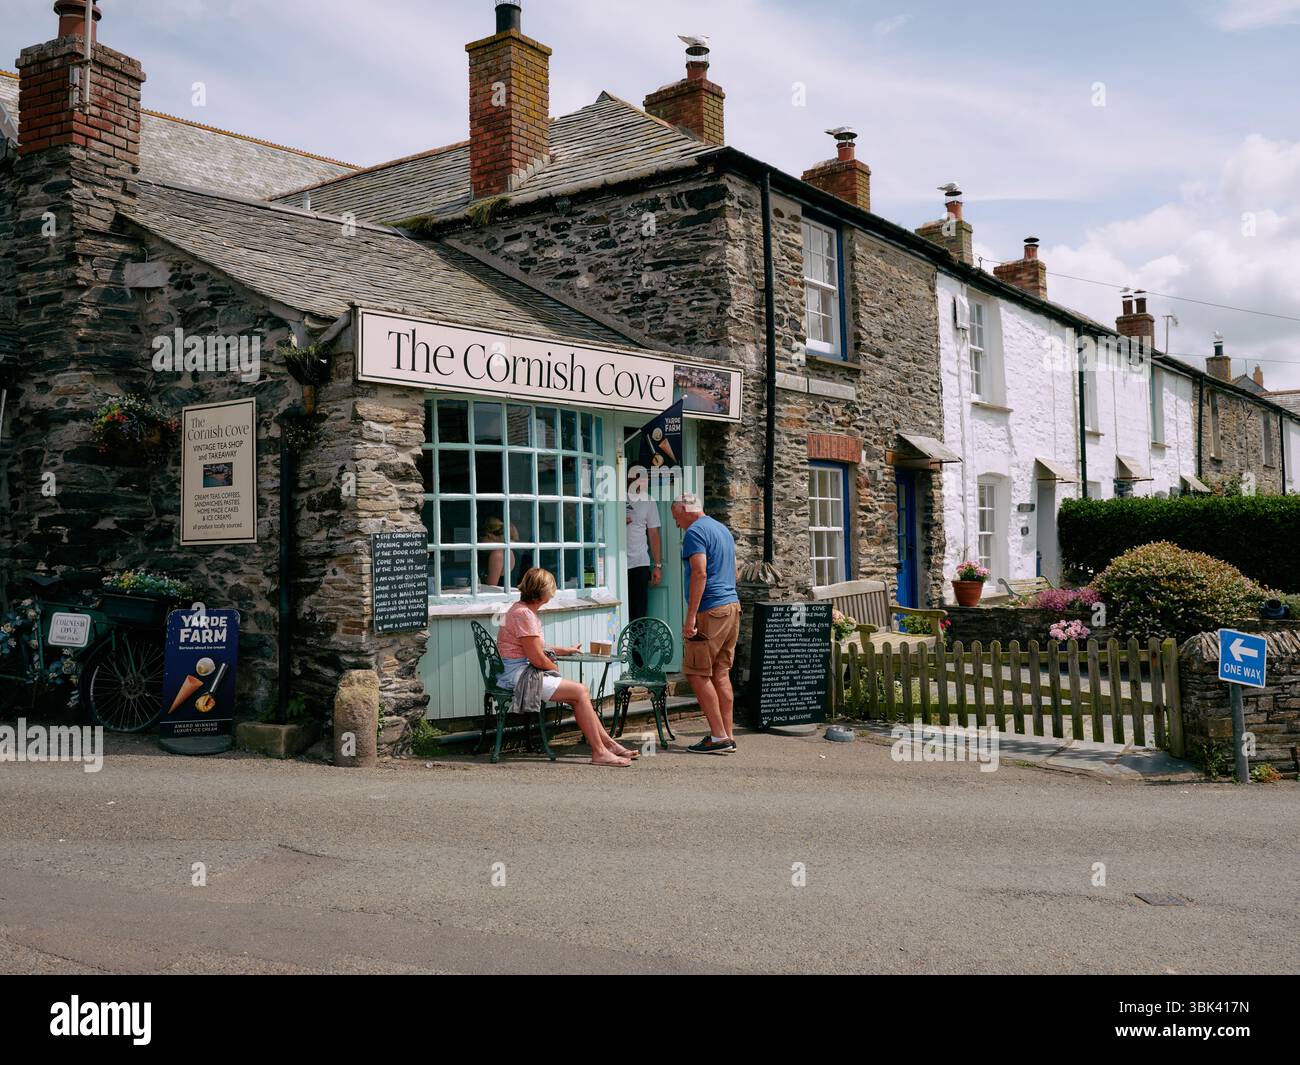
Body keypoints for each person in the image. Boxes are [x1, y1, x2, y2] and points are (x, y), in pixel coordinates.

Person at [496, 567, 639, 767]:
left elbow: (534, 646)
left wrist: (565, 650)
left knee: (579, 693)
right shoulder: (524, 615)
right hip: (517, 675)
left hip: (515, 670)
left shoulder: (519, 610)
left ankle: (608, 744)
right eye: (551, 589)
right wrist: (552, 667)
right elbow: (537, 658)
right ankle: (599, 752)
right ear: (543, 592)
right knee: (580, 691)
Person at [670, 492, 740, 754]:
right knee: (721, 673)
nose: (677, 523)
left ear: (686, 510)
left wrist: (691, 618)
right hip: (732, 607)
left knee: (697, 673)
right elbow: (735, 572)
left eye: (676, 516)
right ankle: (727, 736)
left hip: (711, 610)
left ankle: (718, 736)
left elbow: (699, 573)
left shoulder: (695, 533)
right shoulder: (722, 529)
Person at [625, 468, 663, 621]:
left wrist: (658, 566)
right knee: (620, 611)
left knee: (638, 613)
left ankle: (637, 645)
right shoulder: (616, 498)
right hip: (616, 565)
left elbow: (653, 534)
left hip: (639, 563)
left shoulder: (648, 500)